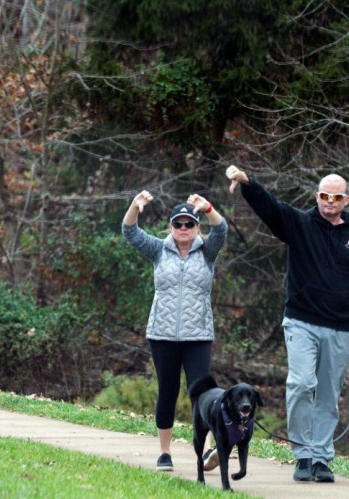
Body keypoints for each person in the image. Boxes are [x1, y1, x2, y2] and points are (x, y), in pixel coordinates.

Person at [226, 165, 349, 483]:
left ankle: (321, 459)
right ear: (317, 196)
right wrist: (248, 183)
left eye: (336, 196)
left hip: (338, 328)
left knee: (327, 394)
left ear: (346, 200)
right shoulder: (300, 224)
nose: (329, 201)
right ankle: (303, 455)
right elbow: (271, 208)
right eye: (324, 195)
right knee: (301, 384)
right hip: (301, 322)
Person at [122, 190, 227, 473]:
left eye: (189, 224)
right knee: (167, 390)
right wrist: (135, 205)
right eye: (178, 224)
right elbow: (129, 231)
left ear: (197, 227)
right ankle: (165, 453)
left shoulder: (207, 251)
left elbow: (222, 228)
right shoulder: (158, 250)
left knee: (201, 394)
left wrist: (207, 208)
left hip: (198, 336)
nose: (183, 229)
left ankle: (205, 452)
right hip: (162, 334)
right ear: (170, 227)